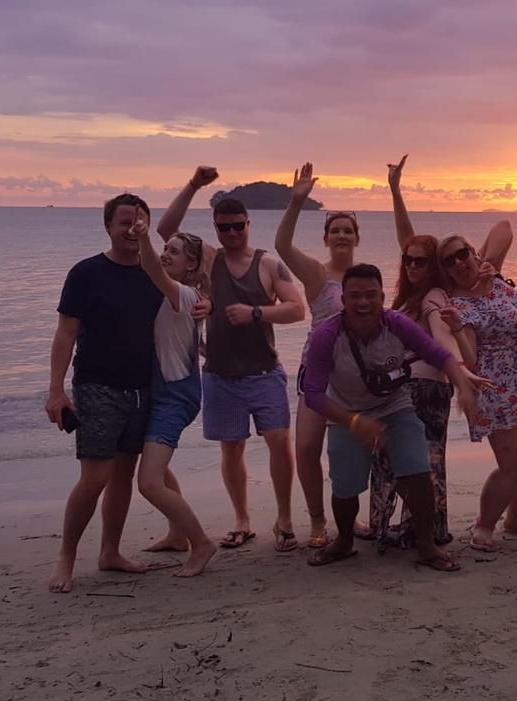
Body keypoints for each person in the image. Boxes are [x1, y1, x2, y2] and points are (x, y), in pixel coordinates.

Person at [45, 194, 201, 593]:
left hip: (146, 388)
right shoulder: (86, 273)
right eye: (124, 222)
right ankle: (67, 557)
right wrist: (56, 390)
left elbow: (189, 296)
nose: (132, 229)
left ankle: (110, 552)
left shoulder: (156, 273)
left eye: (139, 222)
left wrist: (210, 306)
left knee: (123, 475)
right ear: (108, 227)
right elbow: (66, 332)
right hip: (97, 385)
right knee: (94, 477)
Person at [157, 166, 307, 553]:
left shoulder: (268, 264)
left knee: (279, 441)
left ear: (248, 224)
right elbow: (166, 230)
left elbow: (297, 309)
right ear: (216, 229)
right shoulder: (210, 260)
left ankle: (284, 518)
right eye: (224, 228)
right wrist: (193, 185)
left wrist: (256, 312)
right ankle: (242, 520)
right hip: (220, 374)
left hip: (264, 370)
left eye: (238, 226)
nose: (232, 233)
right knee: (231, 447)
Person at [300, 264, 484, 571]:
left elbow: (439, 355)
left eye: (371, 295)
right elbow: (314, 395)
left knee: (419, 471)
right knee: (345, 485)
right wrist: (354, 422)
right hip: (346, 412)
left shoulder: (396, 324)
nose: (363, 302)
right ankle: (344, 541)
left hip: (394, 407)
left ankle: (426, 546)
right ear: (343, 300)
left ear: (382, 297)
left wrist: (463, 386)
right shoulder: (326, 336)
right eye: (355, 296)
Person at [363, 155, 478, 552]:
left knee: (406, 459)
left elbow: (441, 334)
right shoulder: (410, 294)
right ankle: (415, 529)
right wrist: (395, 190)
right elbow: (407, 237)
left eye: (420, 261)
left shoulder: (432, 297)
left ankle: (412, 530)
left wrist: (458, 368)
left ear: (433, 267)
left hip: (421, 390)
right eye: (407, 260)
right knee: (420, 458)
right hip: (413, 388)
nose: (412, 265)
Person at [438, 225, 517, 551]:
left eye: (463, 253)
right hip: (501, 395)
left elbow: (504, 227)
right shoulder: (459, 305)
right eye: (449, 261)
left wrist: (486, 261)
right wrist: (457, 328)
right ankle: (484, 525)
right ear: (445, 271)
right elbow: (471, 358)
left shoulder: (492, 275)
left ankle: (516, 517)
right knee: (514, 463)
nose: (459, 263)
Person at [274, 162, 356, 549]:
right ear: (325, 239)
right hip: (318, 372)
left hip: (355, 376)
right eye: (334, 230)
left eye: (347, 230)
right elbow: (282, 247)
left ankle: (350, 518)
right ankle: (317, 519)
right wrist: (295, 202)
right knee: (307, 447)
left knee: (348, 452)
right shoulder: (317, 275)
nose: (341, 235)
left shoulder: (365, 277)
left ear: (356, 237)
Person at [133, 223, 219, 577]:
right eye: (164, 248)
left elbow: (150, 266)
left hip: (175, 395)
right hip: (162, 391)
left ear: (191, 266)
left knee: (149, 483)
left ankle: (201, 543)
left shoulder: (182, 293)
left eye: (174, 251)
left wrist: (143, 237)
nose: (165, 254)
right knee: (158, 469)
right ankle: (177, 534)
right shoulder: (185, 295)